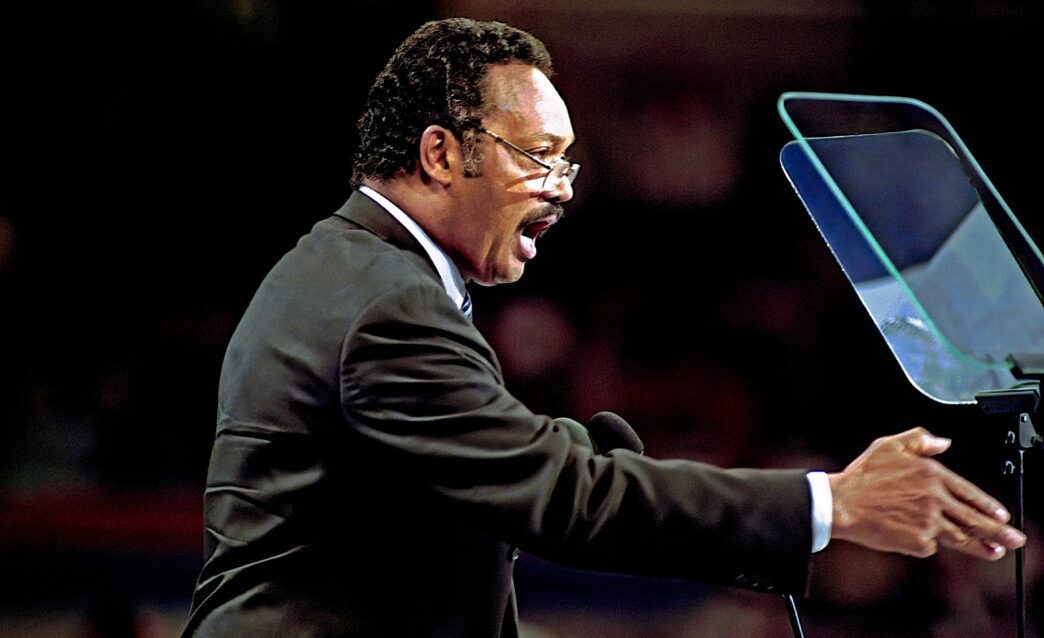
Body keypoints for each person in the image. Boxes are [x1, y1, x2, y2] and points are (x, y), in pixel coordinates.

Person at [182, 17, 1025, 638]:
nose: (563, 188)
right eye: (539, 157)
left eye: (569, 162)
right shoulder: (383, 306)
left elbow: (498, 479)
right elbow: (560, 497)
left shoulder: (363, 273)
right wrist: (830, 502)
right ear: (440, 154)